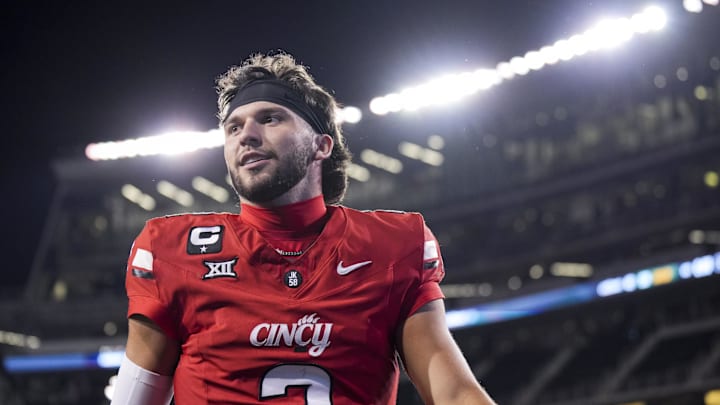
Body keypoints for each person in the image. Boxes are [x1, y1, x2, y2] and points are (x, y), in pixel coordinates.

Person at [111, 52, 496, 405]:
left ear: (321, 145)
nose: (246, 134)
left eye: (270, 118)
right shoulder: (171, 250)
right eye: (233, 127)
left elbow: (454, 392)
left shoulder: (392, 246)